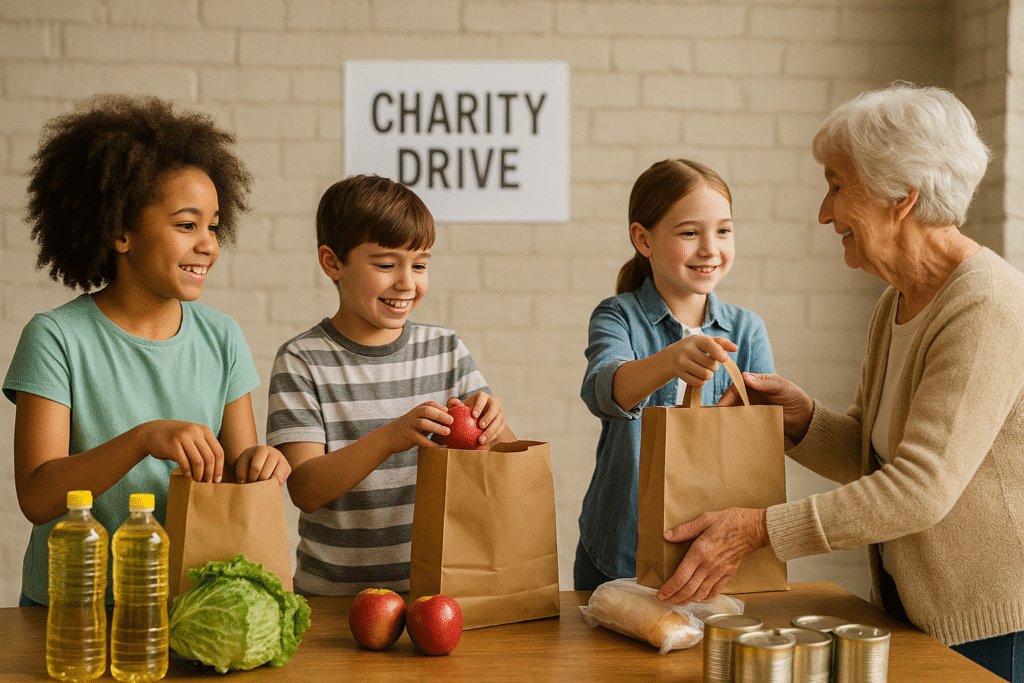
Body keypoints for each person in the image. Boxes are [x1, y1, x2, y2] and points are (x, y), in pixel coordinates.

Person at [657, 84, 1024, 682]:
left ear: (899, 197)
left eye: (836, 185)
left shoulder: (986, 309)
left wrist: (761, 530)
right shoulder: (898, 303)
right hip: (917, 612)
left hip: (989, 628)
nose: (824, 213)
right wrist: (801, 420)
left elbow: (920, 490)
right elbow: (874, 460)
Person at [4, 94, 290, 608]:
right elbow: (38, 495)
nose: (208, 244)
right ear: (119, 231)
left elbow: (235, 470)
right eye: (186, 225)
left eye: (213, 225)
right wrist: (143, 439)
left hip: (183, 605)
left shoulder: (222, 337)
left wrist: (261, 465)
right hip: (70, 611)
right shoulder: (56, 337)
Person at [266, 174, 515, 596]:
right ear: (332, 262)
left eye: (419, 265)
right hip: (332, 599)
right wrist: (391, 437)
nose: (407, 283)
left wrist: (494, 424)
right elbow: (305, 488)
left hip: (433, 594)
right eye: (386, 265)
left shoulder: (446, 349)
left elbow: (502, 464)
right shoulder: (302, 360)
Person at [575, 159, 775, 591]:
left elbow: (765, 432)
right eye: (689, 233)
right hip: (619, 550)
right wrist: (670, 360)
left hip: (713, 555)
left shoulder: (747, 330)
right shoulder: (618, 315)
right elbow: (604, 391)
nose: (710, 249)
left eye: (723, 231)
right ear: (642, 239)